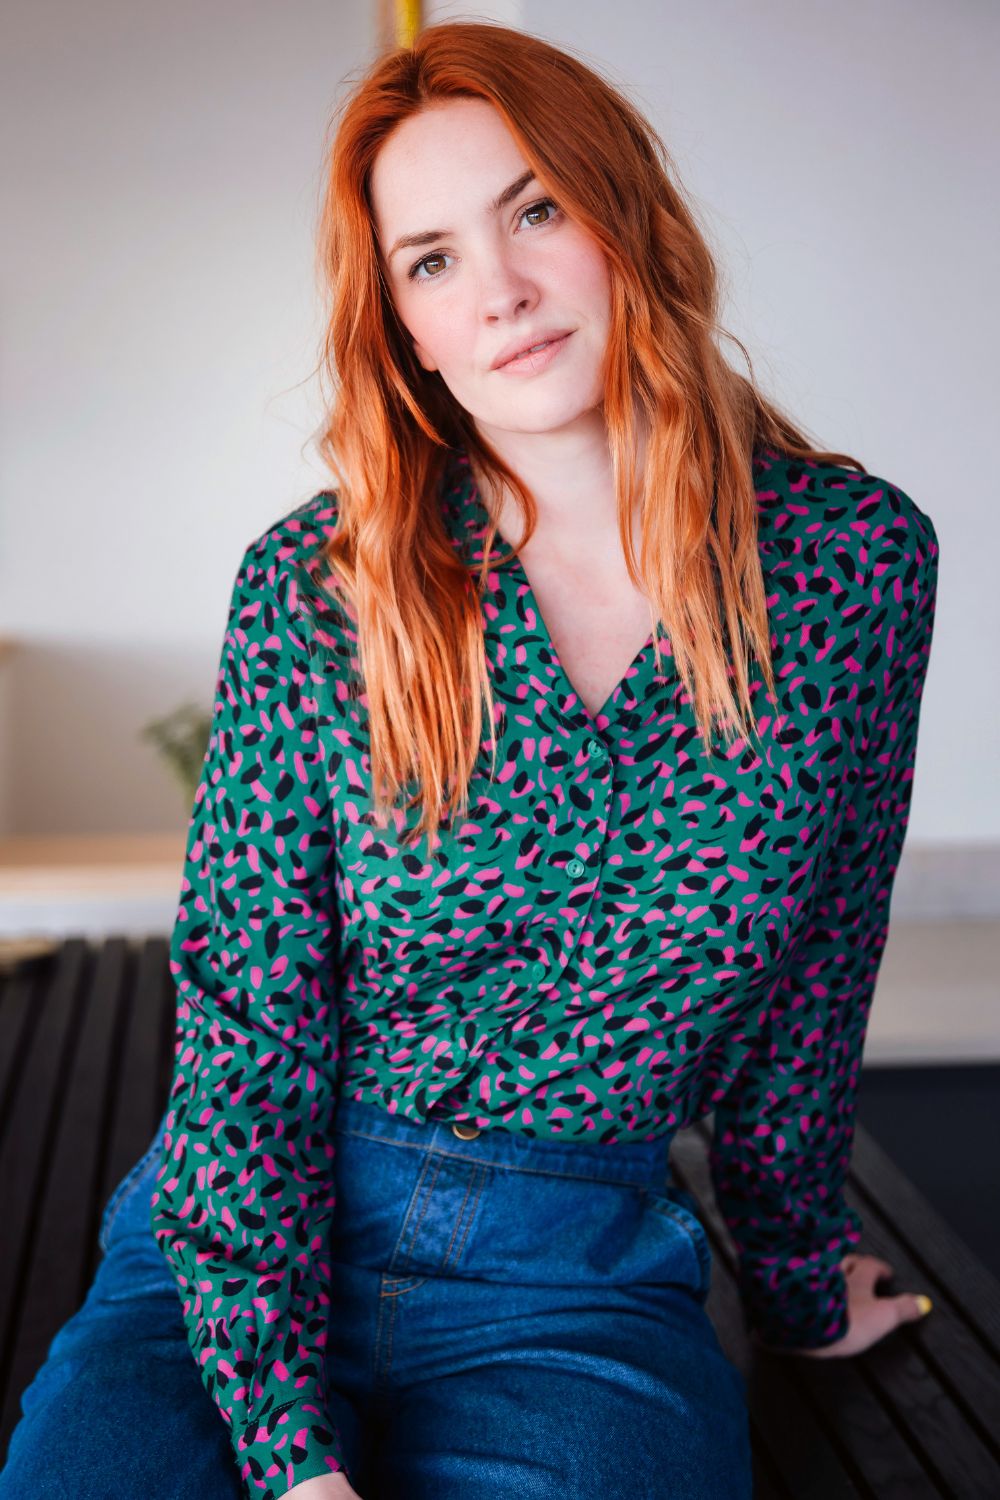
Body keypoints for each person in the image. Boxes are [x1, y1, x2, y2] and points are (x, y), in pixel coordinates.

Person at [0, 19, 940, 1500]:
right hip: (240, 1244)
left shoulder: (852, 567)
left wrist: (800, 1276)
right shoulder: (322, 585)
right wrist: (290, 1455)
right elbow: (247, 1018)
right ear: (404, 325)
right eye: (431, 258)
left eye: (535, 211)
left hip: (572, 1282)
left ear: (625, 212)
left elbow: (821, 966)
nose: (496, 289)